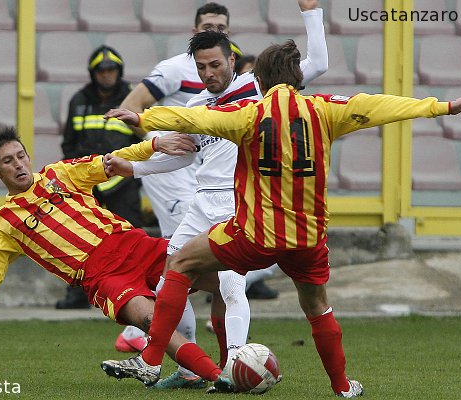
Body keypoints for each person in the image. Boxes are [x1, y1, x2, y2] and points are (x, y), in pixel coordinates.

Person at [101, 40, 461, 397]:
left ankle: (151, 360)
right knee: (317, 306)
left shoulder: (246, 114)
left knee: (180, 262)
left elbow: (193, 121)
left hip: (254, 235)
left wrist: (143, 118)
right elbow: (380, 106)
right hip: (308, 239)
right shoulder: (326, 109)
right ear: (298, 78)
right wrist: (442, 106)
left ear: (261, 80)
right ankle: (342, 386)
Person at [105, 2, 328, 390]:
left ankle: (234, 368)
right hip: (200, 201)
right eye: (202, 67)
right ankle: (180, 361)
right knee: (168, 277)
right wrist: (135, 168)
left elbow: (319, 63)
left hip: (238, 201)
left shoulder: (257, 88)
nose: (209, 73)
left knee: (230, 285)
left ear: (232, 61)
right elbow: (179, 156)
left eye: (216, 65)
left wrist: (312, 12)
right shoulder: (195, 106)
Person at [0, 128, 229, 385]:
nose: (18, 165)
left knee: (223, 282)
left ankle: (231, 360)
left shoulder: (59, 174)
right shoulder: (2, 224)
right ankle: (220, 378)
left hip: (134, 245)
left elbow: (111, 162)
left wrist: (154, 144)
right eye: (8, 161)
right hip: (104, 277)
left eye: (21, 156)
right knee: (150, 319)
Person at [111, 2, 231, 376]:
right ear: (194, 31)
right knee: (186, 263)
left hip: (204, 176)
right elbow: (132, 105)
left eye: (221, 27)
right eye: (207, 25)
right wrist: (158, 143)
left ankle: (154, 338)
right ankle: (177, 355)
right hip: (171, 176)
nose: (214, 29)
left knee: (206, 269)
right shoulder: (175, 69)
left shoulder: (234, 79)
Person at [56, 45, 142, 313]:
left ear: (119, 72)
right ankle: (78, 293)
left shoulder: (131, 98)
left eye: (112, 69)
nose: (107, 74)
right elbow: (68, 143)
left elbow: (142, 141)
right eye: (101, 70)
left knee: (129, 239)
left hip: (123, 185)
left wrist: (129, 174)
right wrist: (81, 177)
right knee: (79, 240)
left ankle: (134, 293)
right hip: (86, 185)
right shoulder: (79, 100)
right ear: (93, 73)